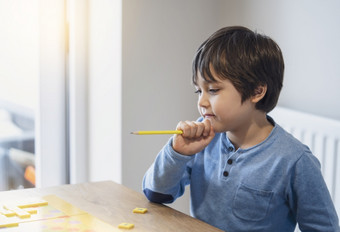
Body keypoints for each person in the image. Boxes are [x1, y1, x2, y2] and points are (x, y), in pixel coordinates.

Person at [142, 26, 340, 232]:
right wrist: (177, 153)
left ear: (257, 91)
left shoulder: (294, 160)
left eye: (213, 90)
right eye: (198, 90)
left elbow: (324, 228)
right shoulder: (200, 140)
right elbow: (156, 194)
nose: (201, 101)